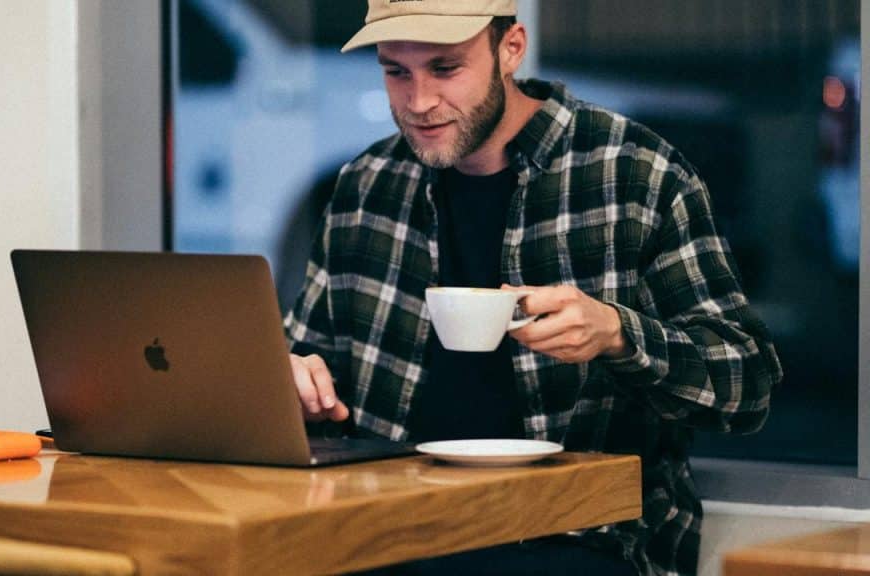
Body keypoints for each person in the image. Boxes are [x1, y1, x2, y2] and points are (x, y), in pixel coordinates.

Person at [283, 1, 783, 574]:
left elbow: (748, 386)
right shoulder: (365, 186)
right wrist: (293, 380)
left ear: (511, 50)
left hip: (575, 539)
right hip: (393, 530)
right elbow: (303, 359)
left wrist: (621, 336)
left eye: (445, 69)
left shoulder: (636, 175)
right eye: (396, 71)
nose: (418, 102)